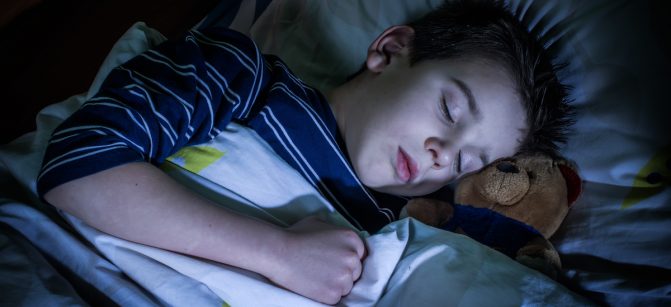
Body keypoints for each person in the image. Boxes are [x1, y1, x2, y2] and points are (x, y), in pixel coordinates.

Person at [37, 0, 573, 304]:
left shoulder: (394, 231)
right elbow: (80, 163)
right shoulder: (245, 79)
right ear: (391, 50)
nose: (441, 156)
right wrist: (278, 254)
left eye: (465, 163)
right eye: (450, 111)